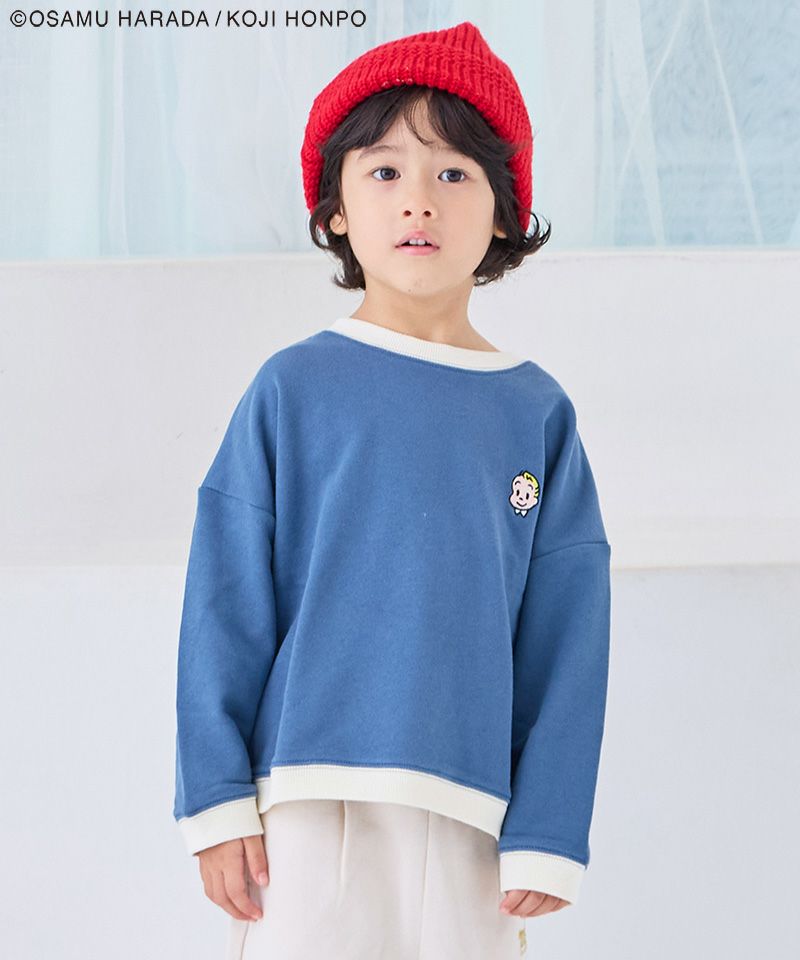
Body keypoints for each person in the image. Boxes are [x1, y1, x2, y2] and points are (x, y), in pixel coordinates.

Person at [173, 20, 612, 960]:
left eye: (454, 172)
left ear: (504, 211)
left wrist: (551, 824)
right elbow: (224, 600)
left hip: (474, 822)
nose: (419, 199)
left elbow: (568, 636)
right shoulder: (294, 388)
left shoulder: (536, 414)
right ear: (335, 208)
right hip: (305, 804)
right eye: (384, 171)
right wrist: (216, 798)